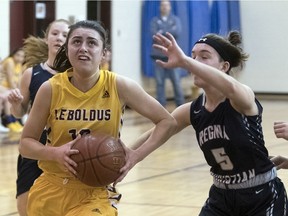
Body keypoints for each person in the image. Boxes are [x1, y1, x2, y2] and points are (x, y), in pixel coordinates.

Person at [117, 31, 288, 215]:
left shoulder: (241, 98)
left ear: (224, 66)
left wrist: (185, 61)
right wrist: (129, 155)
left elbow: (231, 87)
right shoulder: (192, 110)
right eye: (193, 56)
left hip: (262, 196)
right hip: (221, 197)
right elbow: (159, 131)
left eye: (204, 57)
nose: (195, 62)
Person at [18, 20, 176, 216]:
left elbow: (167, 122)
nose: (83, 48)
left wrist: (136, 156)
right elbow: (25, 144)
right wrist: (55, 153)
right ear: (67, 50)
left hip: (94, 192)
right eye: (76, 42)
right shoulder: (50, 88)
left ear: (103, 53)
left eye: (92, 43)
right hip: (51, 187)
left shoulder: (119, 85)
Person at [8, 19, 70, 216]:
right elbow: (19, 114)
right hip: (35, 143)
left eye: (65, 35)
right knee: (24, 207)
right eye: (55, 33)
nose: (59, 38)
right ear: (46, 38)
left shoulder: (75, 75)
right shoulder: (31, 73)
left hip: (64, 144)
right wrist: (16, 104)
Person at [150, 0, 185, 107]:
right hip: (158, 57)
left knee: (177, 82)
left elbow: (177, 32)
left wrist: (162, 31)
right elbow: (154, 34)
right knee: (159, 83)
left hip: (172, 57)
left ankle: (180, 106)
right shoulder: (154, 20)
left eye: (166, 5)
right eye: (162, 5)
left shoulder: (176, 20)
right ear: (160, 7)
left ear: (170, 7)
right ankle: (161, 106)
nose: (164, 7)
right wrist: (169, 31)